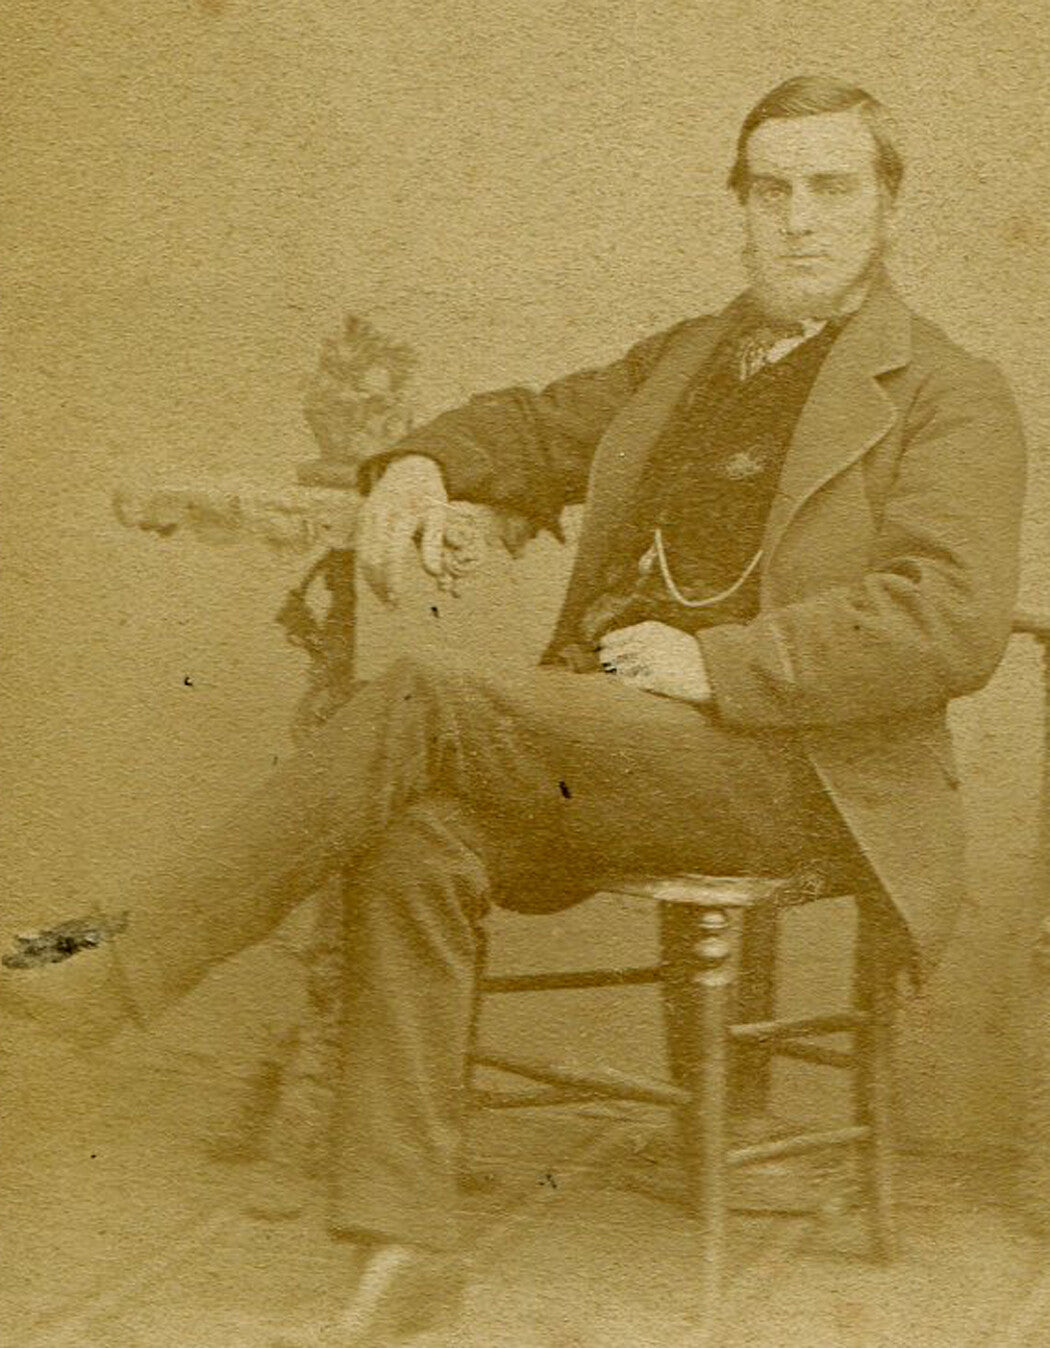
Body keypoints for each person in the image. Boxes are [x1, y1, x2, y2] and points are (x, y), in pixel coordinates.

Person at [1, 75, 1027, 1345]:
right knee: (417, 825)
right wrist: (424, 461)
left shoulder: (947, 391)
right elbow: (532, 428)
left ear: (886, 210)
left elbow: (950, 616)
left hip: (795, 777)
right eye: (773, 189)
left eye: (833, 188)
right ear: (740, 208)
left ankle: (119, 968)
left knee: (424, 700)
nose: (800, 220)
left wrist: (723, 666)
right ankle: (404, 1246)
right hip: (613, 754)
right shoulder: (690, 359)